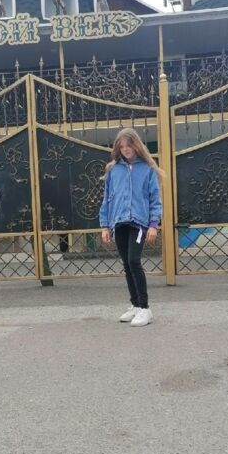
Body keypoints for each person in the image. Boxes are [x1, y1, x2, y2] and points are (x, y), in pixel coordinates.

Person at [99, 128, 163, 328]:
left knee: (134, 261)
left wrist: (154, 225)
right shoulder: (113, 169)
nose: (125, 150)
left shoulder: (147, 169)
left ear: (136, 145)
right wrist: (105, 226)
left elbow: (154, 199)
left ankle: (145, 308)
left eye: (129, 146)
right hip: (119, 223)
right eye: (122, 147)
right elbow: (107, 199)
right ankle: (135, 305)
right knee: (126, 264)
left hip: (139, 223)